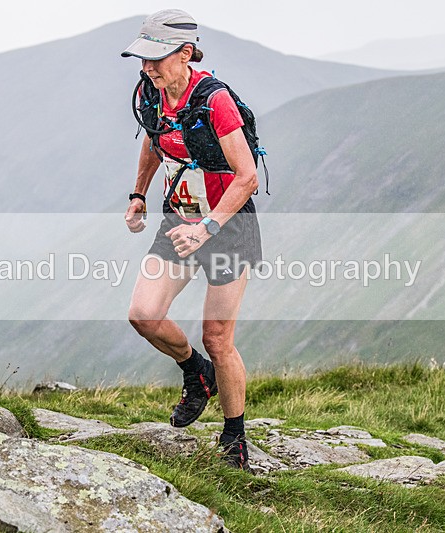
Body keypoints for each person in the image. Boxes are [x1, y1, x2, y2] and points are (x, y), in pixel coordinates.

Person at [121, 9, 262, 471]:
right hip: (178, 222)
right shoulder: (151, 93)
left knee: (218, 337)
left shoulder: (214, 101)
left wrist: (208, 228)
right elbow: (152, 140)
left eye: (155, 59)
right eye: (142, 60)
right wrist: (139, 193)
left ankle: (234, 437)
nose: (147, 68)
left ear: (185, 53)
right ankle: (195, 373)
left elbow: (247, 177)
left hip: (228, 227)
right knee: (143, 315)